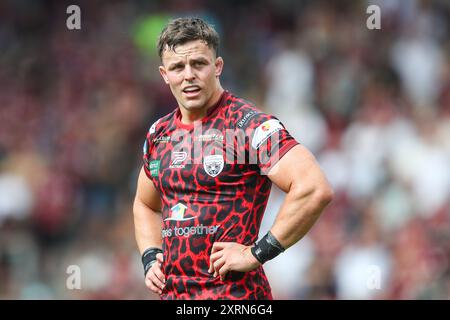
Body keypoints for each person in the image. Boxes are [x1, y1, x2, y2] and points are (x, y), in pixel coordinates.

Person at [133, 17, 333, 300]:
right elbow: (145, 203)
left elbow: (314, 188)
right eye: (178, 67)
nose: (188, 75)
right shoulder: (159, 133)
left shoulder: (247, 125)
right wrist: (151, 256)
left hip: (237, 298)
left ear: (217, 67)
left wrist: (257, 253)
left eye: (198, 64)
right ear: (165, 74)